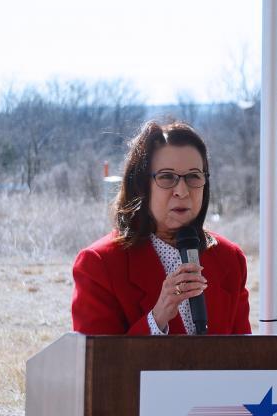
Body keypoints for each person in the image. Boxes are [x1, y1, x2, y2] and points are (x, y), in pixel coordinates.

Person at [71, 120, 251, 335]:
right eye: (167, 177)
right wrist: (157, 318)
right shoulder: (99, 264)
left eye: (193, 176)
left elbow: (244, 353)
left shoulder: (230, 258)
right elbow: (99, 356)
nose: (182, 191)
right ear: (141, 185)